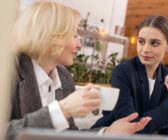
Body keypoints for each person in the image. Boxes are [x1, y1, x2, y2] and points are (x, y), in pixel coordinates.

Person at [6, 1, 152, 140]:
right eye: (74, 35)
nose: (79, 44)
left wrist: (107, 133)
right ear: (51, 35)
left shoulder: (63, 77)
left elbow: (67, 134)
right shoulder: (8, 71)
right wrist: (62, 109)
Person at [92, 15, 168, 135]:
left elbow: (165, 132)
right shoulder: (122, 72)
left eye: (154, 43)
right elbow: (131, 127)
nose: (145, 49)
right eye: (141, 41)